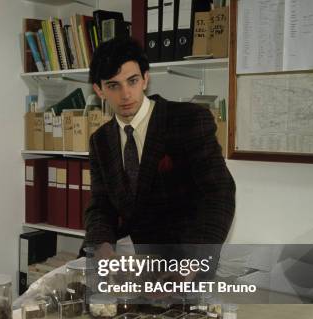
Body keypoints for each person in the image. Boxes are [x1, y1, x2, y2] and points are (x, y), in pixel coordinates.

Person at [82, 38, 236, 274]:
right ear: (99, 90)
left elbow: (219, 194)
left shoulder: (189, 120)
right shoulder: (100, 141)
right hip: (141, 268)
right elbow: (101, 206)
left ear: (145, 78)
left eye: (132, 81)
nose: (125, 94)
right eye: (114, 85)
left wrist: (192, 264)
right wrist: (102, 249)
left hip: (190, 267)